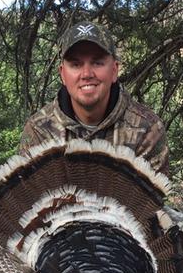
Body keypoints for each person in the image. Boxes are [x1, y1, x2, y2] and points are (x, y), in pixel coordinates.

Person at [19, 21, 169, 175]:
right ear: (62, 74)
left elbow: (151, 199)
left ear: (114, 70)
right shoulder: (39, 130)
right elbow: (25, 196)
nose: (86, 74)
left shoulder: (147, 130)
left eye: (97, 63)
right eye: (76, 64)